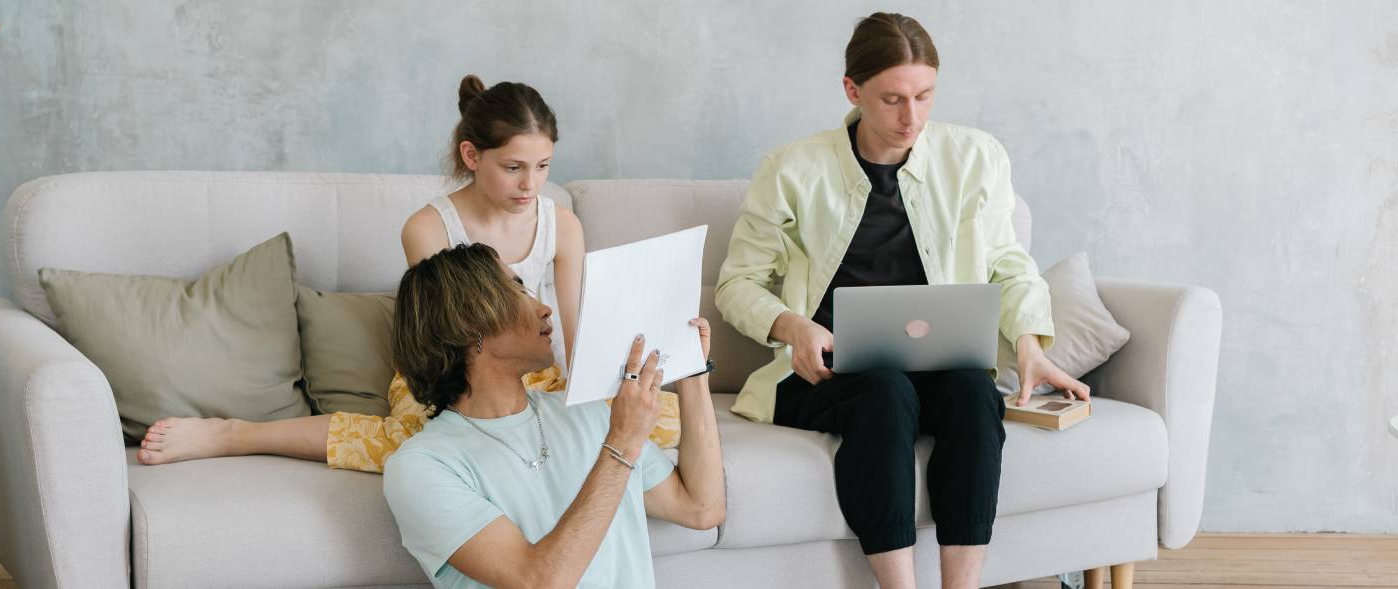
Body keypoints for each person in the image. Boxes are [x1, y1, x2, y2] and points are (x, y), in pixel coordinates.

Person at [135, 76, 685, 472]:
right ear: (472, 156)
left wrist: (590, 396)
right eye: (513, 167)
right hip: (459, 366)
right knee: (421, 442)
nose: (530, 185)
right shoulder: (428, 227)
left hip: (536, 362)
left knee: (657, 419)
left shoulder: (560, 224)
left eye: (543, 167)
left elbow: (572, 327)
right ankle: (237, 434)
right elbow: (455, 339)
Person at [714, 12, 1090, 589]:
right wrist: (791, 325)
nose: (910, 117)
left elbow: (1010, 265)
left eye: (924, 96)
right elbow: (736, 284)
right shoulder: (792, 168)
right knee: (885, 391)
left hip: (936, 367)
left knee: (972, 393)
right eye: (892, 99)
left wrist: (1029, 344)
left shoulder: (975, 156)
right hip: (824, 372)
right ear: (852, 90)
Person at [384, 243, 724, 588]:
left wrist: (694, 374)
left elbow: (701, 508)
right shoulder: (421, 466)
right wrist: (622, 442)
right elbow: (540, 582)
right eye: (516, 288)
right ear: (470, 322)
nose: (545, 309)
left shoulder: (583, 411)